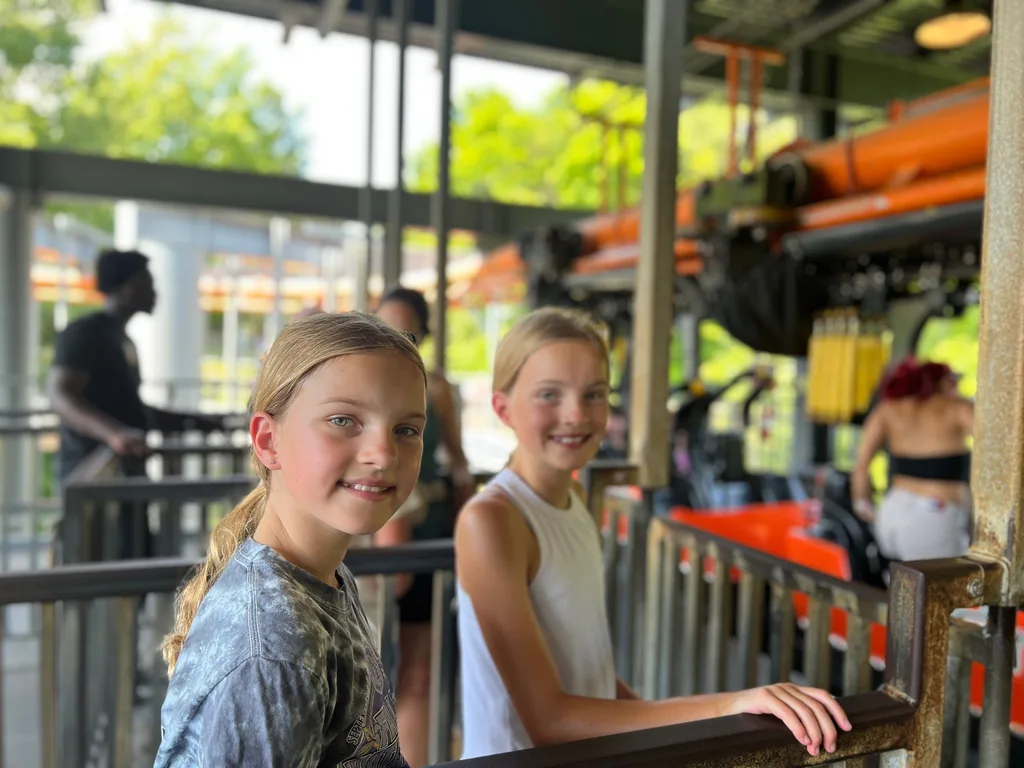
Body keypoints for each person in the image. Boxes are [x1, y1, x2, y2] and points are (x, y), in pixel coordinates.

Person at [455, 307, 851, 759]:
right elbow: (550, 720)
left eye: (595, 394)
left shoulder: (575, 500)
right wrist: (730, 704)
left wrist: (665, 722)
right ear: (502, 408)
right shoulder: (492, 520)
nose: (575, 414)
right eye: (549, 394)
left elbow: (587, 674)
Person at [155, 312, 425, 767]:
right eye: (343, 420)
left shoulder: (325, 577)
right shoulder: (274, 650)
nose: (383, 453)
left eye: (407, 430)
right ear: (268, 440)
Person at [47, 248, 220, 556]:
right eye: (147, 283)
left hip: (125, 472)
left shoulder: (122, 339)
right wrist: (115, 435)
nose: (155, 291)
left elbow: (130, 408)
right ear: (126, 287)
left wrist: (193, 422)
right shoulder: (84, 333)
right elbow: (61, 395)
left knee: (134, 556)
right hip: (94, 475)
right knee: (99, 569)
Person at [373, 286, 473, 767]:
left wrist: (469, 521)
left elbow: (457, 461)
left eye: (406, 332)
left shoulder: (437, 390)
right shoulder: (351, 382)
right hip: (366, 543)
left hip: (424, 532)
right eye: (384, 328)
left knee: (417, 667)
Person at [852, 357, 974, 561]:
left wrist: (862, 504)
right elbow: (999, 446)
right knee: (943, 589)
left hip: (892, 510)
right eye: (953, 380)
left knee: (900, 584)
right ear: (939, 382)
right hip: (934, 517)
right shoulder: (957, 408)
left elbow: (861, 464)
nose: (957, 386)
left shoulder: (888, 409)